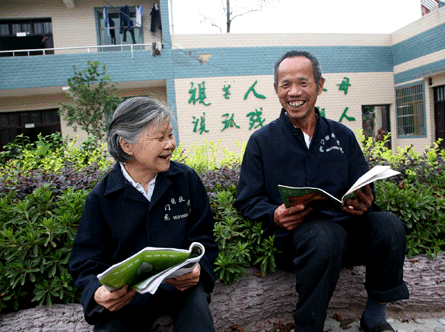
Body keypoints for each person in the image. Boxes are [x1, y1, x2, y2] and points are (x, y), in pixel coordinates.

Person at [233, 51, 409, 332]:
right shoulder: (261, 141)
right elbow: (247, 200)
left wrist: (363, 202)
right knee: (326, 235)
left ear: (319, 84)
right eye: (285, 84)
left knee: (389, 225)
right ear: (276, 89)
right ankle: (309, 327)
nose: (294, 92)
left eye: (303, 83)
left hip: (347, 231)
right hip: (300, 241)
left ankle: (375, 315)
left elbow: (363, 185)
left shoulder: (342, 136)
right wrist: (274, 214)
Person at [69, 97, 218, 332]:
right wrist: (97, 292)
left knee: (197, 315)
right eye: (160, 138)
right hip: (127, 299)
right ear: (127, 145)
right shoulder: (102, 197)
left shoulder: (186, 180)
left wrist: (199, 268)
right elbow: (85, 262)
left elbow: (204, 239)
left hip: (180, 290)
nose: (170, 144)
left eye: (170, 135)